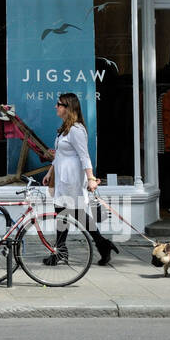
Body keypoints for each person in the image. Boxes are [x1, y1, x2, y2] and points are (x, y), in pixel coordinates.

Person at [41, 92, 119, 266]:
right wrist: (50, 172)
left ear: (68, 107)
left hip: (72, 179)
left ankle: (97, 245)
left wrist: (91, 178)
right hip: (62, 178)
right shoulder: (64, 129)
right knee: (65, 213)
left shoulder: (76, 130)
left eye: (59, 104)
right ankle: (97, 245)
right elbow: (59, 154)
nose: (56, 106)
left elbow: (85, 156)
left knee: (72, 213)